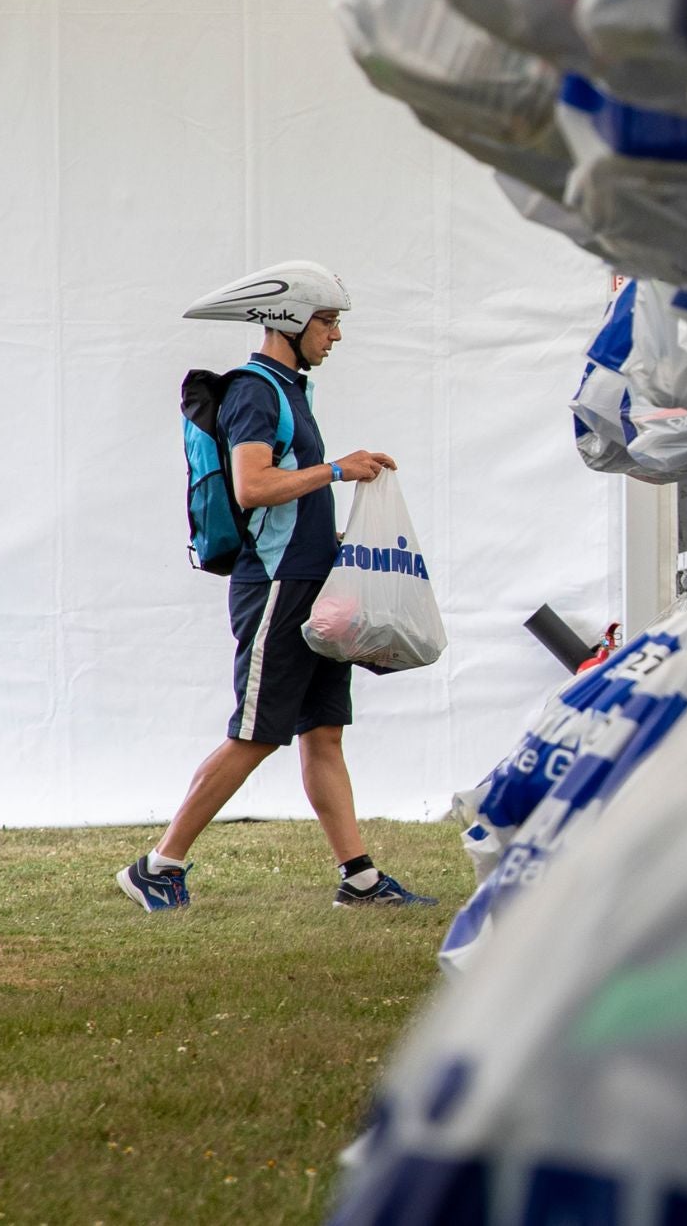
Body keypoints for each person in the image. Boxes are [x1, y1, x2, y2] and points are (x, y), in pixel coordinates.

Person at [116, 261, 437, 911]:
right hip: (277, 588)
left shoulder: (292, 391)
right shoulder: (256, 391)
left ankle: (362, 879)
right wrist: (337, 470)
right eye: (328, 320)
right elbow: (252, 486)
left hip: (310, 584)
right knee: (256, 733)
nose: (336, 335)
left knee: (323, 733)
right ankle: (158, 865)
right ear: (291, 320)